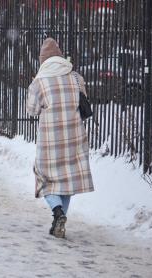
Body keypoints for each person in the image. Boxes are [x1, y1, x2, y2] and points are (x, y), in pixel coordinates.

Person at [27, 37, 94, 239]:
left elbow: (31, 110)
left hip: (51, 139)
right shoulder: (76, 77)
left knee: (44, 177)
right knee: (67, 180)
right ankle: (60, 219)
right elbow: (83, 100)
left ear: (43, 61)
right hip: (75, 137)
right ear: (60, 57)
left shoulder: (39, 82)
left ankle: (57, 213)